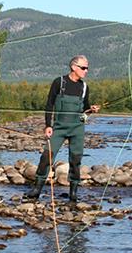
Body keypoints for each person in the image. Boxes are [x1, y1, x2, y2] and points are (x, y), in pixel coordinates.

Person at [25, 55, 100, 202]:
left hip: (77, 128)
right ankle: (36, 189)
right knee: (47, 156)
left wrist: (91, 109)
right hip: (58, 127)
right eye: (84, 68)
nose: (86, 71)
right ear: (74, 67)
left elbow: (85, 109)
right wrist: (48, 125)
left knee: (75, 159)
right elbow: (49, 105)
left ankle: (73, 193)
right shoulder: (59, 82)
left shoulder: (84, 87)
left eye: (87, 68)